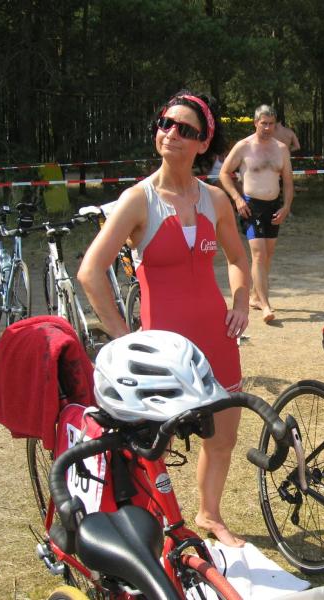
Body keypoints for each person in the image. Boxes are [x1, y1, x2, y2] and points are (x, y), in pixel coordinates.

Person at [77, 90, 251, 547]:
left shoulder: (215, 199)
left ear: (203, 143)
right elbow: (90, 272)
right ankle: (160, 529)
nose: (171, 133)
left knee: (223, 438)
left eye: (185, 129)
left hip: (215, 337)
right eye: (165, 123)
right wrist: (123, 338)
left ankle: (210, 514)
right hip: (162, 348)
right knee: (156, 447)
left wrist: (241, 301)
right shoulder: (138, 199)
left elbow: (238, 258)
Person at [220, 104, 293, 324]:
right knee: (259, 254)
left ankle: (255, 295)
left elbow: (288, 181)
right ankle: (265, 304)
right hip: (251, 206)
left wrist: (286, 206)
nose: (268, 128)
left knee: (268, 254)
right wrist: (237, 198)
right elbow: (224, 173)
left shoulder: (281, 148)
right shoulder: (243, 147)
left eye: (271, 124)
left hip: (274, 206)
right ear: (255, 123)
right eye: (264, 124)